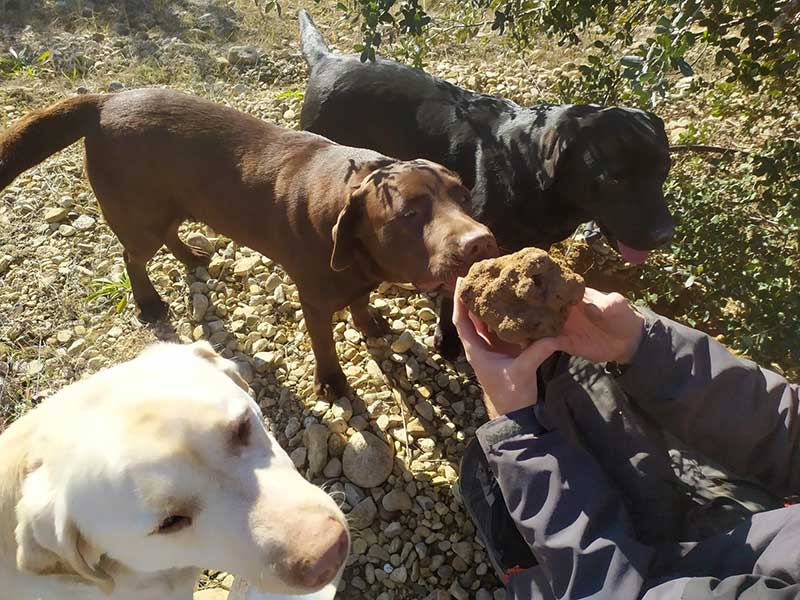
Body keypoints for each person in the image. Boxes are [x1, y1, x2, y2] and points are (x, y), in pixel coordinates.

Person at [452, 281, 800, 599]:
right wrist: (643, 345)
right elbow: (790, 431)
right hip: (756, 532)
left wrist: (520, 438)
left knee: (528, 543)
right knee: (601, 411)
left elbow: (611, 592)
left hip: (634, 583)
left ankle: (521, 561)